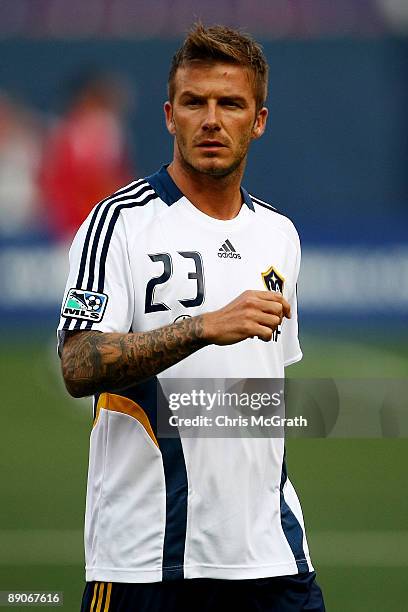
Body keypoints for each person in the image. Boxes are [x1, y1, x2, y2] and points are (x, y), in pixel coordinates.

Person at [58, 23, 325, 612]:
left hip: (273, 557)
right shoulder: (119, 223)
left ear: (258, 120)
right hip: (148, 561)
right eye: (194, 102)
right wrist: (202, 326)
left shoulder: (279, 235)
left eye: (230, 103)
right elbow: (77, 364)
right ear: (169, 115)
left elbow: (263, 395)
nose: (211, 119)